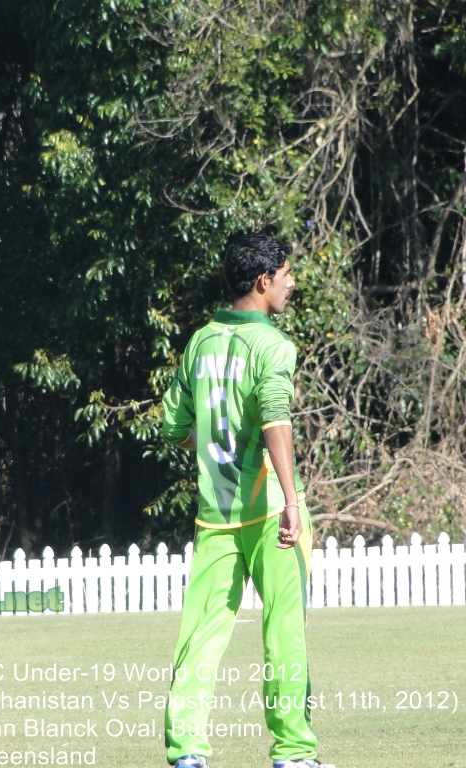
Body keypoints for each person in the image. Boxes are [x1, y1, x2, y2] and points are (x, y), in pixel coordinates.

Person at [160, 234, 334, 768]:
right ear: (263, 282)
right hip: (270, 510)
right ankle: (293, 752)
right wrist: (291, 502)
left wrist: (218, 449)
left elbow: (175, 427)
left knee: (200, 638)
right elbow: (277, 421)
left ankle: (187, 752)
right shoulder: (274, 346)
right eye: (286, 273)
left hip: (215, 515)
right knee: (284, 631)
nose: (291, 282)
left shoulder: (199, 343)